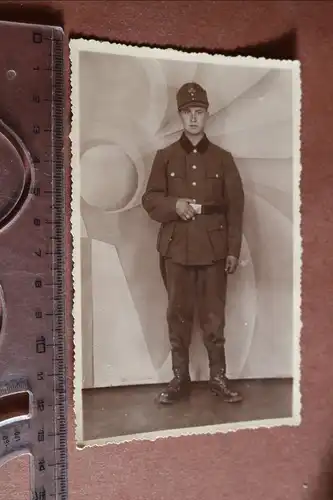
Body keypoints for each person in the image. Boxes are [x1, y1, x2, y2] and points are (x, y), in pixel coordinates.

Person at [141, 82, 244, 405]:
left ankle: (218, 378)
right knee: (178, 315)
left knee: (214, 316)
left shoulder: (223, 159)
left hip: (213, 251)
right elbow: (150, 199)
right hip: (177, 248)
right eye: (188, 113)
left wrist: (232, 250)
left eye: (199, 112)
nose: (194, 118)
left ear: (206, 115)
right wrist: (175, 206)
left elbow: (236, 207)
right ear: (180, 116)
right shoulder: (166, 157)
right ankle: (179, 379)